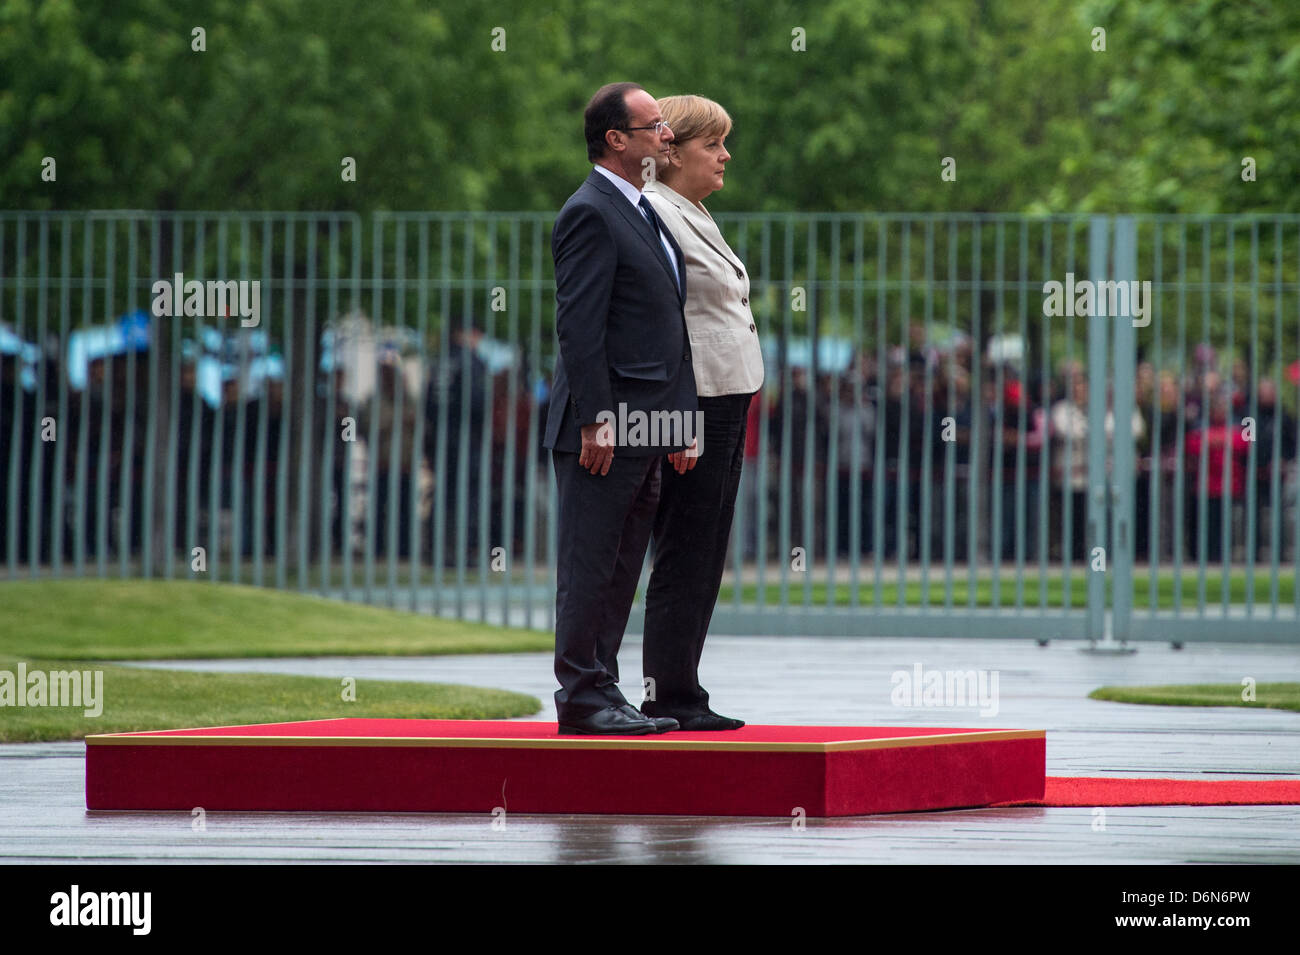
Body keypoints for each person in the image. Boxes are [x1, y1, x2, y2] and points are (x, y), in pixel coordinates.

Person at [543, 82, 695, 735]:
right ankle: (580, 694)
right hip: (607, 427)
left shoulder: (644, 210)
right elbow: (580, 327)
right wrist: (596, 418)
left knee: (622, 561)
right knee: (591, 560)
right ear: (616, 139)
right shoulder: (590, 211)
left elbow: (669, 325)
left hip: (649, 424)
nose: (667, 136)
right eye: (654, 126)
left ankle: (604, 689)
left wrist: (680, 418)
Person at [639, 94, 763, 731]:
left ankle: (683, 687)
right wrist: (680, 414)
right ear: (671, 150)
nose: (724, 154)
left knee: (706, 548)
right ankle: (669, 693)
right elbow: (667, 326)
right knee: (686, 549)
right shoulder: (657, 213)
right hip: (698, 405)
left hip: (726, 398)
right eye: (712, 144)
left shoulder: (691, 212)